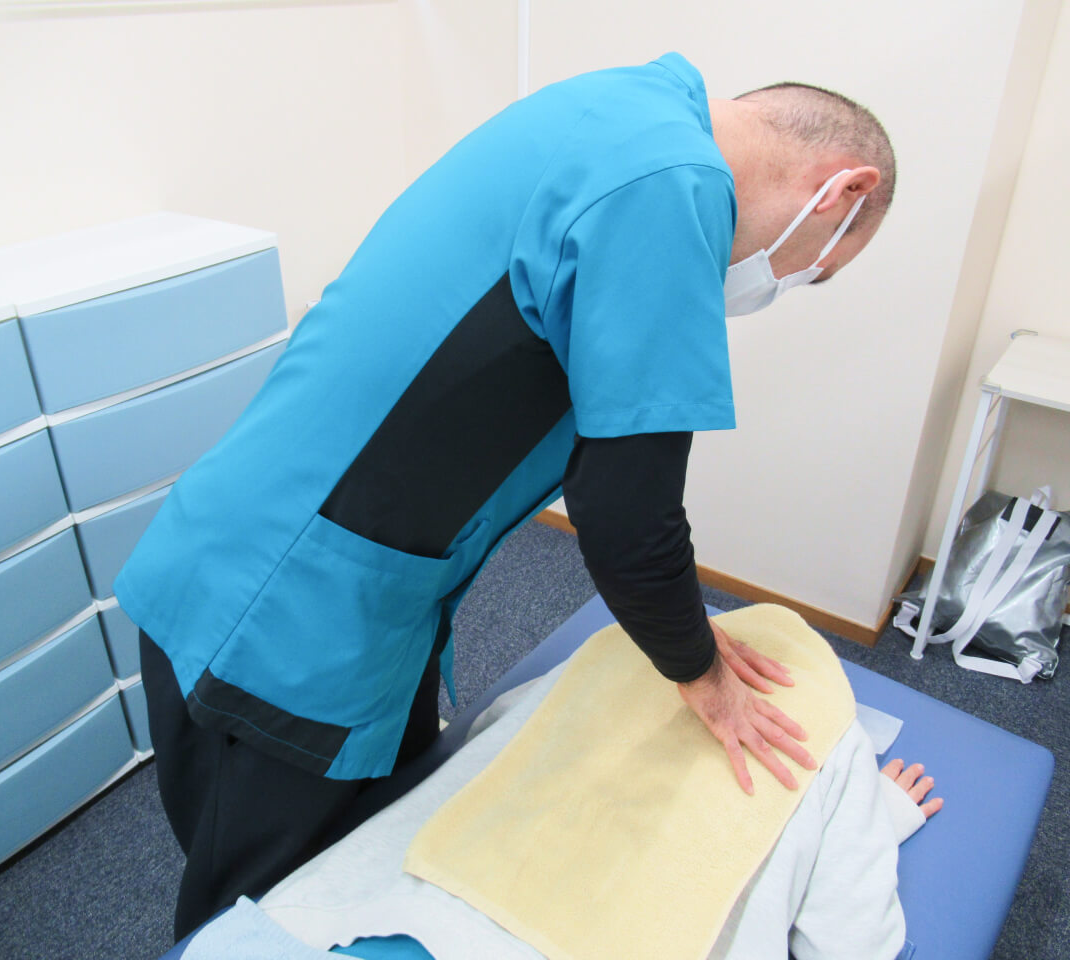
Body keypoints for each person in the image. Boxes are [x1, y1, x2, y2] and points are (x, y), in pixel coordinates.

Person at [117, 51, 896, 939]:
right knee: (266, 917)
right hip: (283, 615)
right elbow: (628, 517)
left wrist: (681, 628)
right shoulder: (671, 188)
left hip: (329, 570)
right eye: (817, 271)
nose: (786, 283)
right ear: (842, 191)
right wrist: (704, 675)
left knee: (375, 846)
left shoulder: (621, 110)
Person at [182, 661, 943, 960]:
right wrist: (879, 817)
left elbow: (488, 729)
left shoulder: (606, 659)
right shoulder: (831, 737)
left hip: (399, 913)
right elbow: (849, 943)